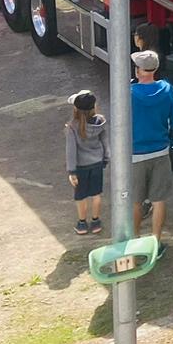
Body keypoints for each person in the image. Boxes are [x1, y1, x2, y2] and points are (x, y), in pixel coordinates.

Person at [128, 50, 173, 248]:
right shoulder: (168, 90)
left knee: (135, 201)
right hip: (160, 151)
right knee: (159, 200)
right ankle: (155, 243)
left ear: (138, 70)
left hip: (135, 154)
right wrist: (170, 140)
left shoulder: (129, 93)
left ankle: (134, 241)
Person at [64, 89, 107, 235]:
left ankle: (82, 223)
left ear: (75, 109)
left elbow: (71, 151)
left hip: (81, 166)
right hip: (97, 163)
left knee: (81, 196)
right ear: (94, 107)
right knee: (96, 194)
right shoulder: (100, 122)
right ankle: (96, 222)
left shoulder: (72, 127)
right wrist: (106, 159)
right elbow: (105, 143)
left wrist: (72, 171)